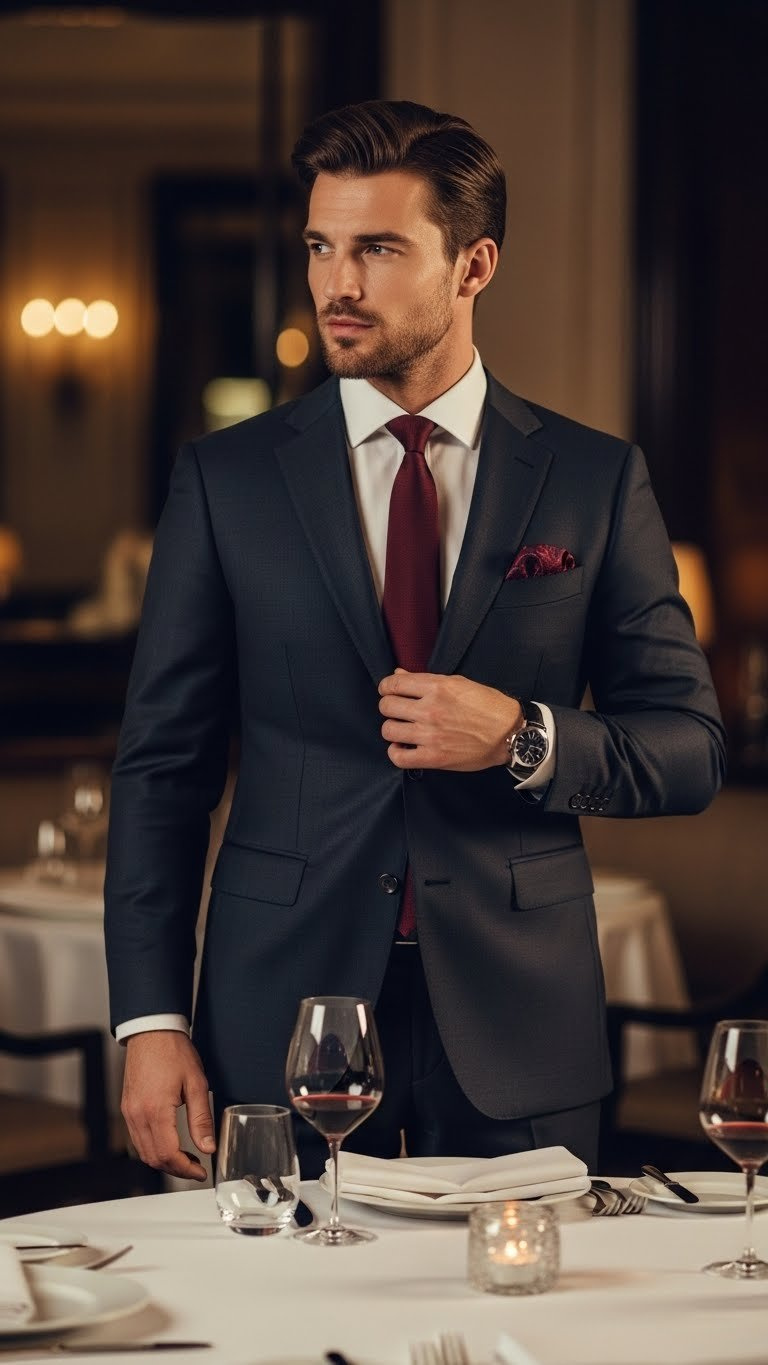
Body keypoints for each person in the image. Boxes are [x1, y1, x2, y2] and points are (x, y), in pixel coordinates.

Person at [105, 99, 725, 1183]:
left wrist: (525, 737)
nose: (338, 284)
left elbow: (688, 748)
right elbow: (163, 771)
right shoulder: (227, 480)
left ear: (474, 265)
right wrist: (149, 1021)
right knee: (273, 1334)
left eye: (380, 249)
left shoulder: (590, 478)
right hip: (276, 1014)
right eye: (322, 247)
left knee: (521, 1332)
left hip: (518, 1021)